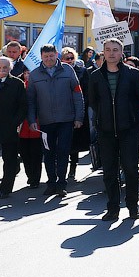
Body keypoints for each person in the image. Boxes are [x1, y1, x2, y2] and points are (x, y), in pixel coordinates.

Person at [87, 40, 139, 221]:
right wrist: (103, 117)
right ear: (103, 52)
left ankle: (132, 206)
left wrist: (130, 116)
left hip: (128, 129)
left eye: (115, 50)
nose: (111, 53)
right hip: (105, 130)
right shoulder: (96, 76)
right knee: (109, 171)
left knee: (131, 169)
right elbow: (93, 101)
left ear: (122, 52)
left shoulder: (133, 74)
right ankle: (112, 208)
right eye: (108, 50)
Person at [27, 45, 84, 197]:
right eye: (45, 57)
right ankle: (51, 183)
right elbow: (31, 100)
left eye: (51, 56)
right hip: (45, 122)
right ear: (41, 57)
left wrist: (79, 117)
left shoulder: (68, 70)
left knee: (63, 152)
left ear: (56, 54)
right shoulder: (34, 74)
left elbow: (78, 94)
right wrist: (32, 119)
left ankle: (61, 184)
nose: (49, 59)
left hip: (66, 119)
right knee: (48, 153)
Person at [0, 56, 28, 198]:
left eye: (5, 67)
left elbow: (23, 106)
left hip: (10, 127)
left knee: (10, 159)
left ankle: (6, 189)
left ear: (10, 68)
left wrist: (15, 122)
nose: (2, 70)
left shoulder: (17, 84)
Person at [60, 47, 92, 181]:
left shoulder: (82, 71)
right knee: (62, 142)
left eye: (71, 58)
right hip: (62, 111)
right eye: (67, 58)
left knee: (75, 143)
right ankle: (61, 170)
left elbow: (87, 90)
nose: (70, 60)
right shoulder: (58, 71)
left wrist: (82, 108)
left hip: (77, 111)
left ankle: (72, 168)